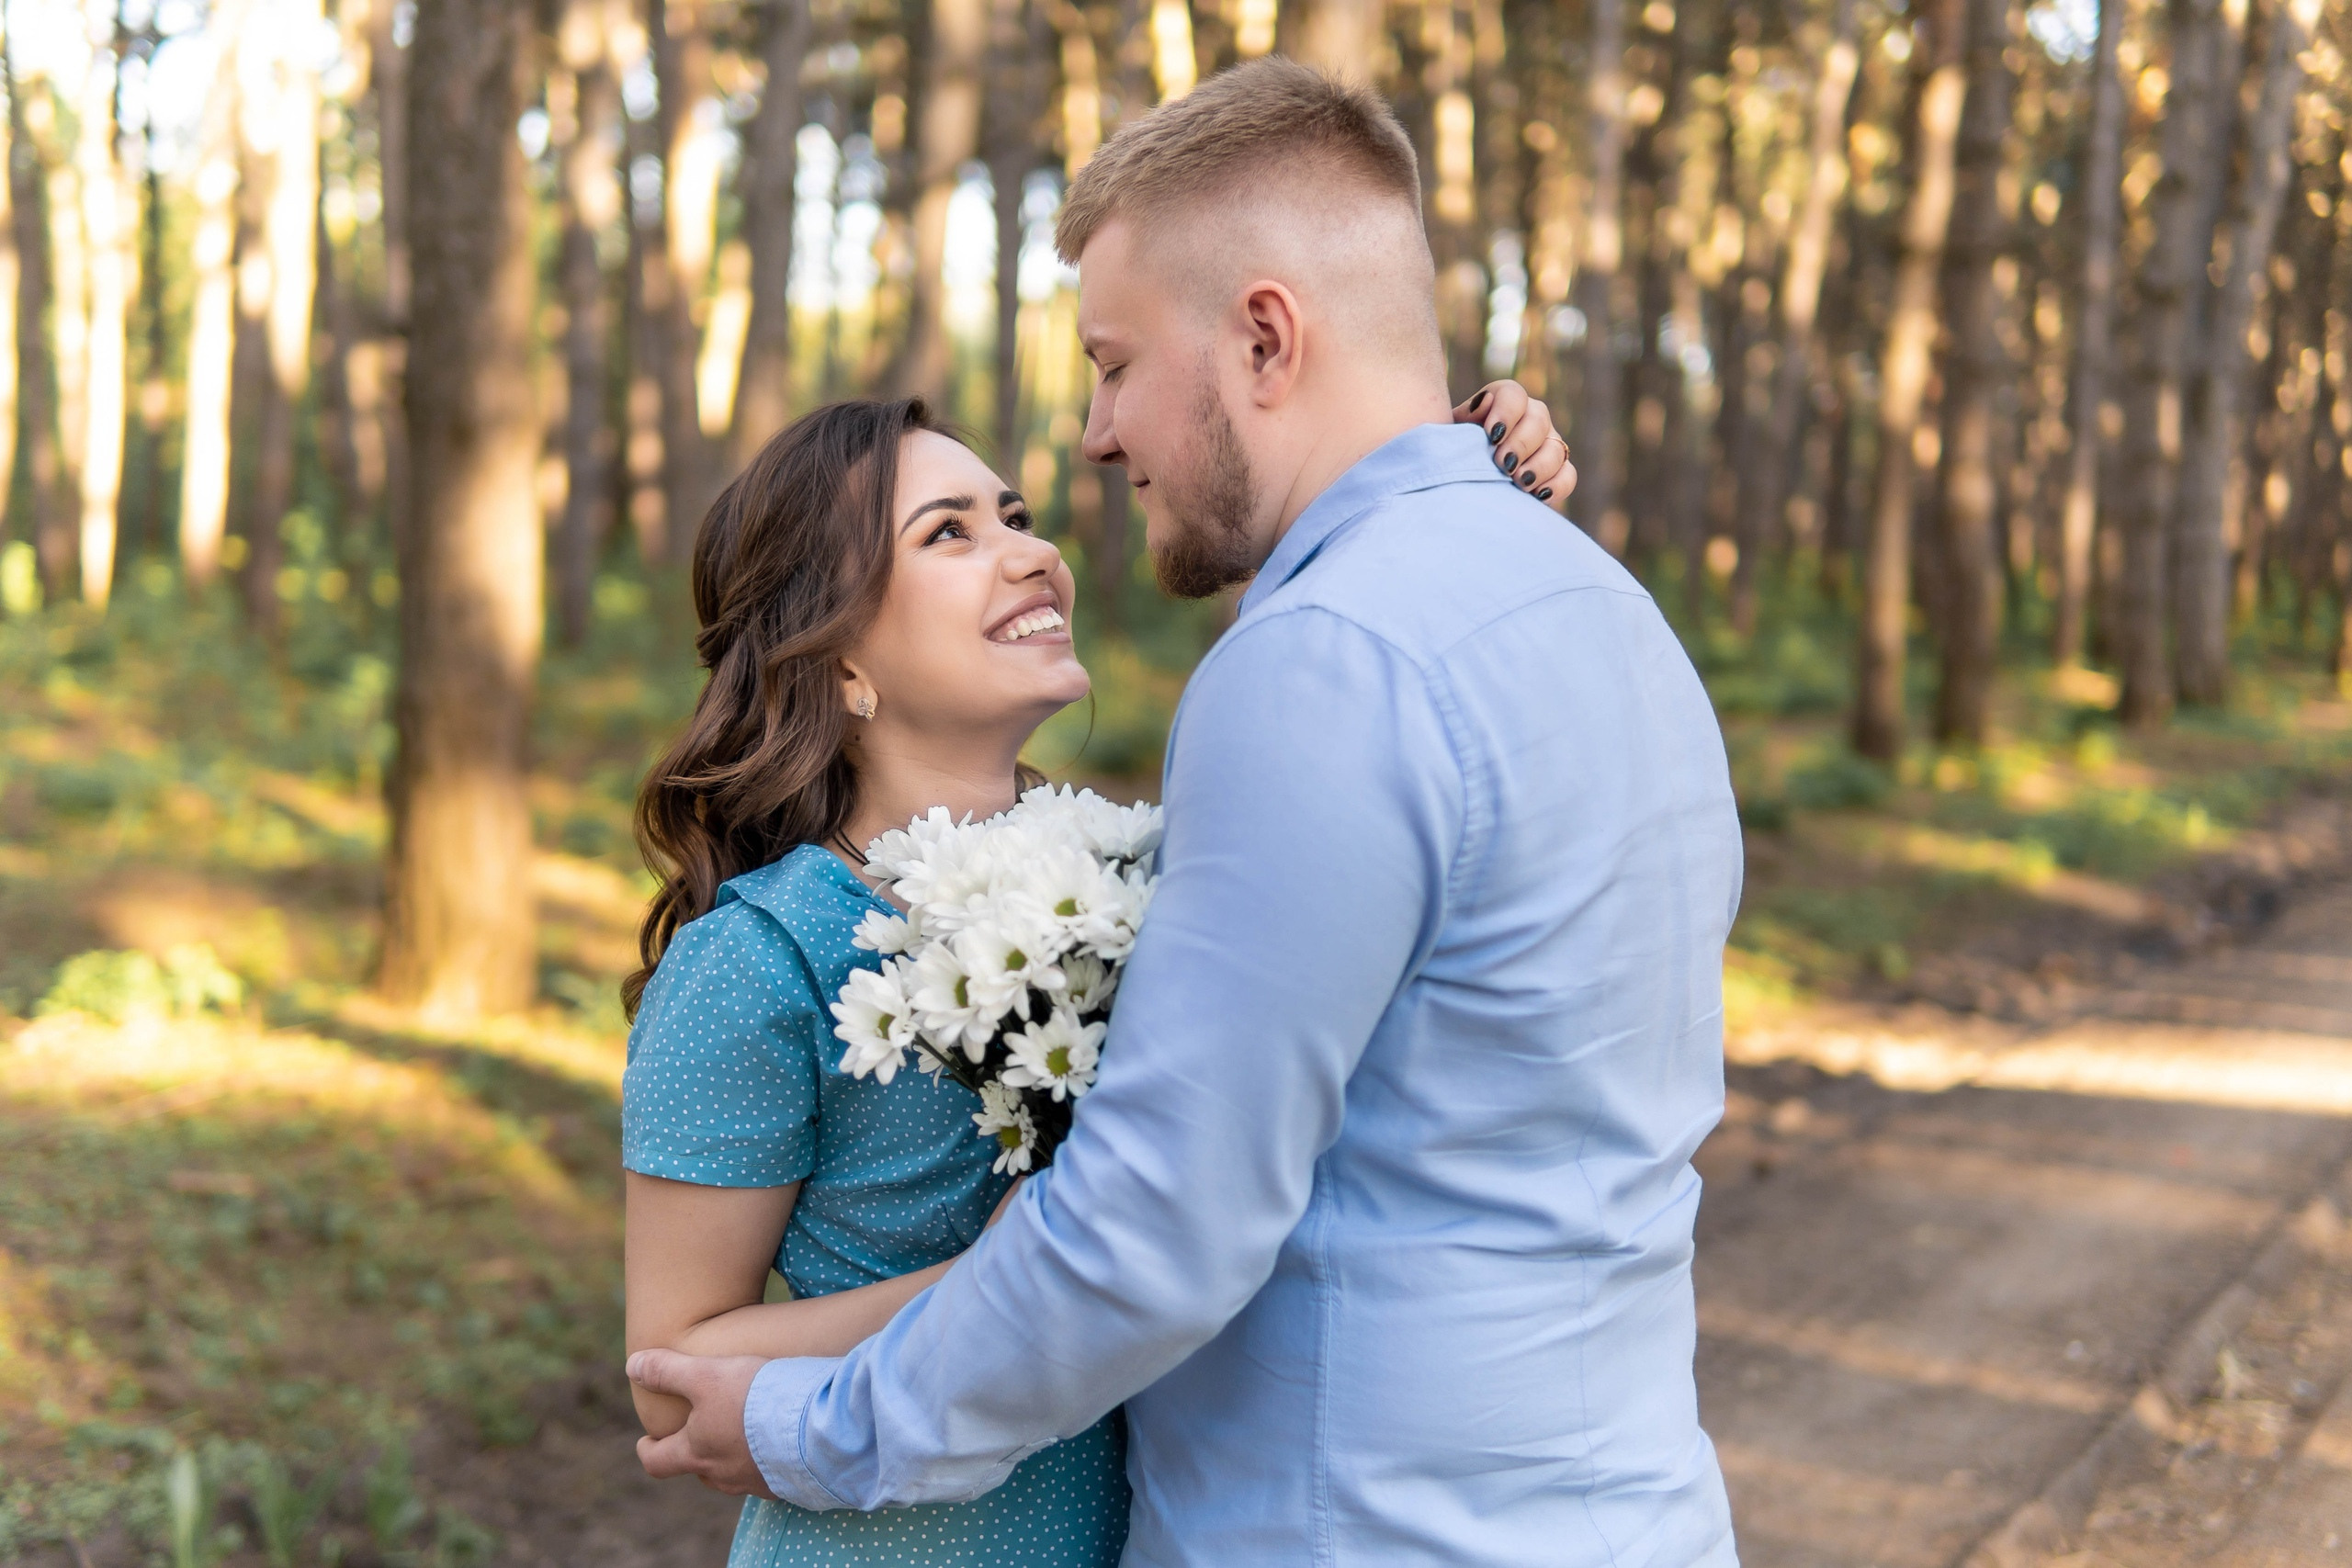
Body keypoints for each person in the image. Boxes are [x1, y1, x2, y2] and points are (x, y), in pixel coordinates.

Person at [628, 57, 1742, 1568]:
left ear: (1265, 337)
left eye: (1112, 362)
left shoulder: (1322, 664)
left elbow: (1160, 1230)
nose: (1092, 438)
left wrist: (811, 1430)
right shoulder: (1608, 613)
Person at [618, 379, 1570, 1567]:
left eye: (1014, 515)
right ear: (838, 656)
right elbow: (673, 1378)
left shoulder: (1143, 874)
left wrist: (1464, 476)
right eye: (949, 534)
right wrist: (1025, 1274)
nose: (1031, 554)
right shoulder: (761, 959)